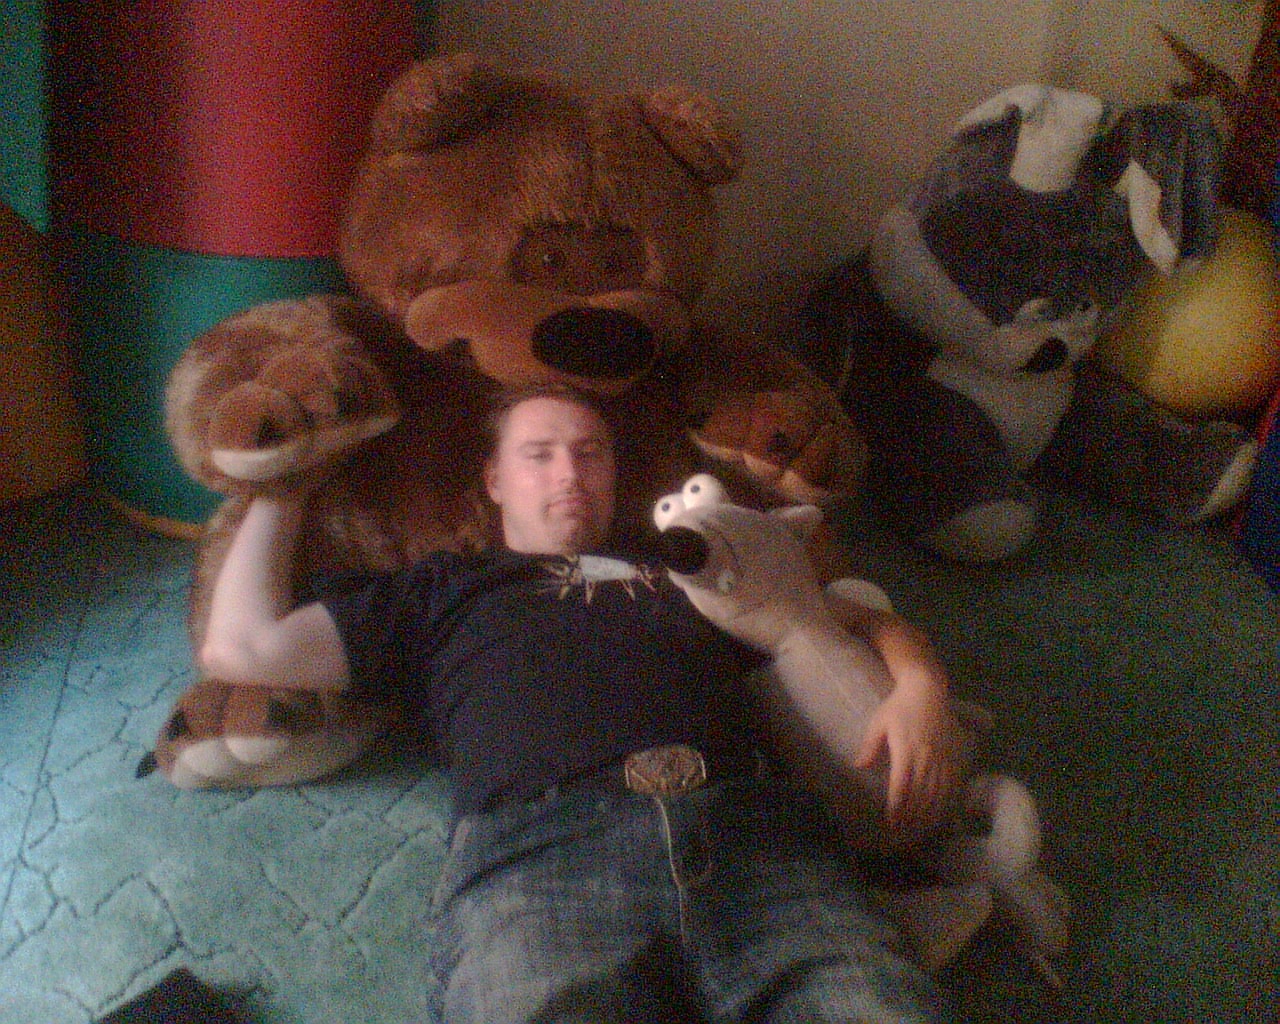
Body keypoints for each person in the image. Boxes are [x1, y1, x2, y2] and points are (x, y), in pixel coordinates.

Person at [201, 382, 961, 1023]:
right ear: (495, 480)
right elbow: (241, 647)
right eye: (539, 454)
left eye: (590, 452)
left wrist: (920, 688)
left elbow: (841, 615)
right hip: (541, 859)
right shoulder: (443, 587)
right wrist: (285, 485)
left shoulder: (696, 562)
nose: (569, 472)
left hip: (760, 843)